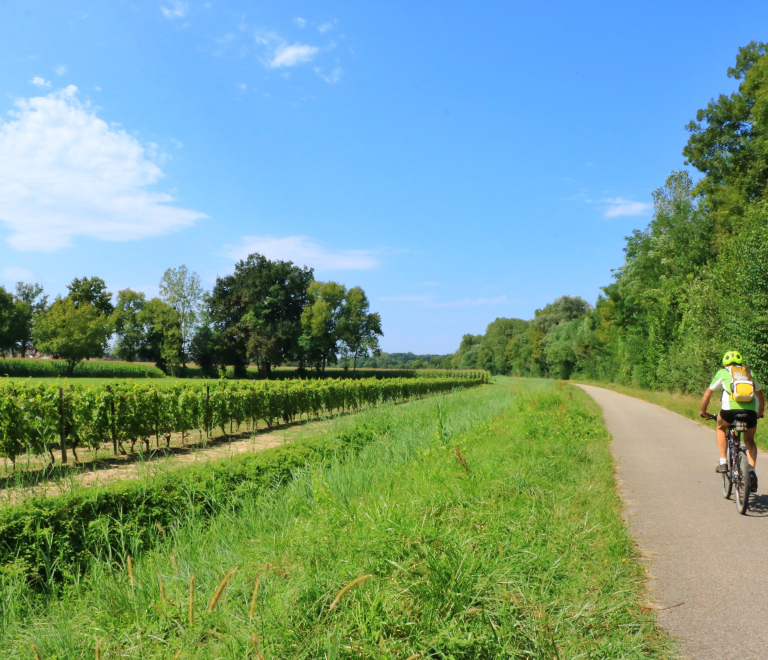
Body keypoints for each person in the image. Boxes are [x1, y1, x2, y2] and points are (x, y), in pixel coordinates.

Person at [700, 350, 765, 492]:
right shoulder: (749, 373)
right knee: (749, 441)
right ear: (740, 363)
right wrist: (760, 413)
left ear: (725, 363)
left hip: (729, 412)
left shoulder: (723, 373)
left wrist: (703, 412)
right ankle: (752, 471)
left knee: (720, 428)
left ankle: (723, 461)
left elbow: (707, 394)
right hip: (750, 413)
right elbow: (760, 395)